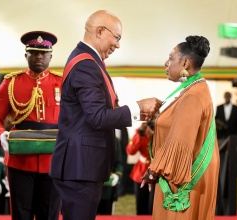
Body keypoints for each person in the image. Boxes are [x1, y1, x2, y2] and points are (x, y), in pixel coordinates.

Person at [49, 10, 162, 220]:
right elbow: (98, 117)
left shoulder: (90, 61)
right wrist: (137, 108)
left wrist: (139, 112)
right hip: (80, 168)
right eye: (117, 38)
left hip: (82, 167)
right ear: (100, 31)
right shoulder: (86, 64)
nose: (118, 45)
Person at [140, 36, 219, 220]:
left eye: (170, 58)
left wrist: (153, 170)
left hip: (181, 180)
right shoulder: (193, 88)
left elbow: (179, 142)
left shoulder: (193, 95)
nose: (165, 63)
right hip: (183, 174)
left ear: (185, 62)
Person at [0, 31, 62, 220]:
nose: (39, 56)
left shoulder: (62, 82)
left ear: (50, 56)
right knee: (21, 214)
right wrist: (1, 135)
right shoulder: (11, 83)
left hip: (53, 160)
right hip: (19, 161)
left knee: (50, 214)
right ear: (25, 54)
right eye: (34, 52)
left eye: (43, 53)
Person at [126, 121, 155, 215]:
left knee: (153, 207)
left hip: (156, 172)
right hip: (141, 171)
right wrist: (139, 133)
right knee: (141, 205)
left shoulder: (161, 132)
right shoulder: (142, 132)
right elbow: (130, 151)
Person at [97, 137, 123, 215]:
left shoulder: (115, 140)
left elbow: (119, 163)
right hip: (87, 189)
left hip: (107, 189)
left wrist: (117, 176)